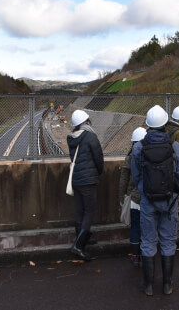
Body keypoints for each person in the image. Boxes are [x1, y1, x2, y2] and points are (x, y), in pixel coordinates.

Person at [131, 105, 179, 296]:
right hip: (170, 201)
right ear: (165, 124)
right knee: (169, 240)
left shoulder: (138, 147)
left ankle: (148, 285)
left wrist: (145, 191)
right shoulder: (175, 147)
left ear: (148, 124)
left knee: (147, 241)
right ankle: (168, 284)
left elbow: (136, 176)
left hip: (148, 201)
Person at [67, 109, 104, 261]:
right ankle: (78, 245)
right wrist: (98, 172)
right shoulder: (91, 136)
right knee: (89, 212)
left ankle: (82, 239)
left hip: (76, 179)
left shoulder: (71, 138)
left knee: (80, 210)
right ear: (86, 122)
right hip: (88, 180)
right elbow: (98, 158)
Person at [118, 127, 147, 267]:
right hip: (149, 199)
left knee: (135, 226)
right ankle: (146, 254)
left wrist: (121, 198)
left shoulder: (130, 157)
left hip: (135, 199)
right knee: (147, 227)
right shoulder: (152, 154)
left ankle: (135, 256)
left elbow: (123, 180)